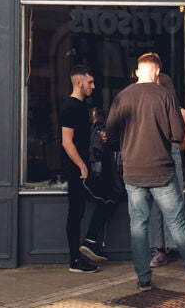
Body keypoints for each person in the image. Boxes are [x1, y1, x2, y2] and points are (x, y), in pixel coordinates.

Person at [104, 53, 185, 292]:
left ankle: (143, 279)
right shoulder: (165, 96)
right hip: (162, 171)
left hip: (133, 172)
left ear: (137, 72)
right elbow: (178, 135)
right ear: (157, 72)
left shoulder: (122, 97)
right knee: (177, 222)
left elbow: (111, 136)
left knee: (138, 225)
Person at [60, 65, 114, 272]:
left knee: (108, 198)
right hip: (77, 170)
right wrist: (81, 166)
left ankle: (89, 242)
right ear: (78, 83)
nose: (93, 86)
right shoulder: (70, 107)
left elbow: (85, 137)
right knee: (76, 212)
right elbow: (67, 142)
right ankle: (75, 260)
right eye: (90, 82)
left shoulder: (84, 106)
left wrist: (100, 137)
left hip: (88, 167)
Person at [147, 68, 185, 268]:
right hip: (157, 156)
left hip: (167, 156)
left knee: (172, 204)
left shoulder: (178, 112)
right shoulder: (153, 111)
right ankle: (161, 249)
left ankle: (173, 249)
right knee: (157, 205)